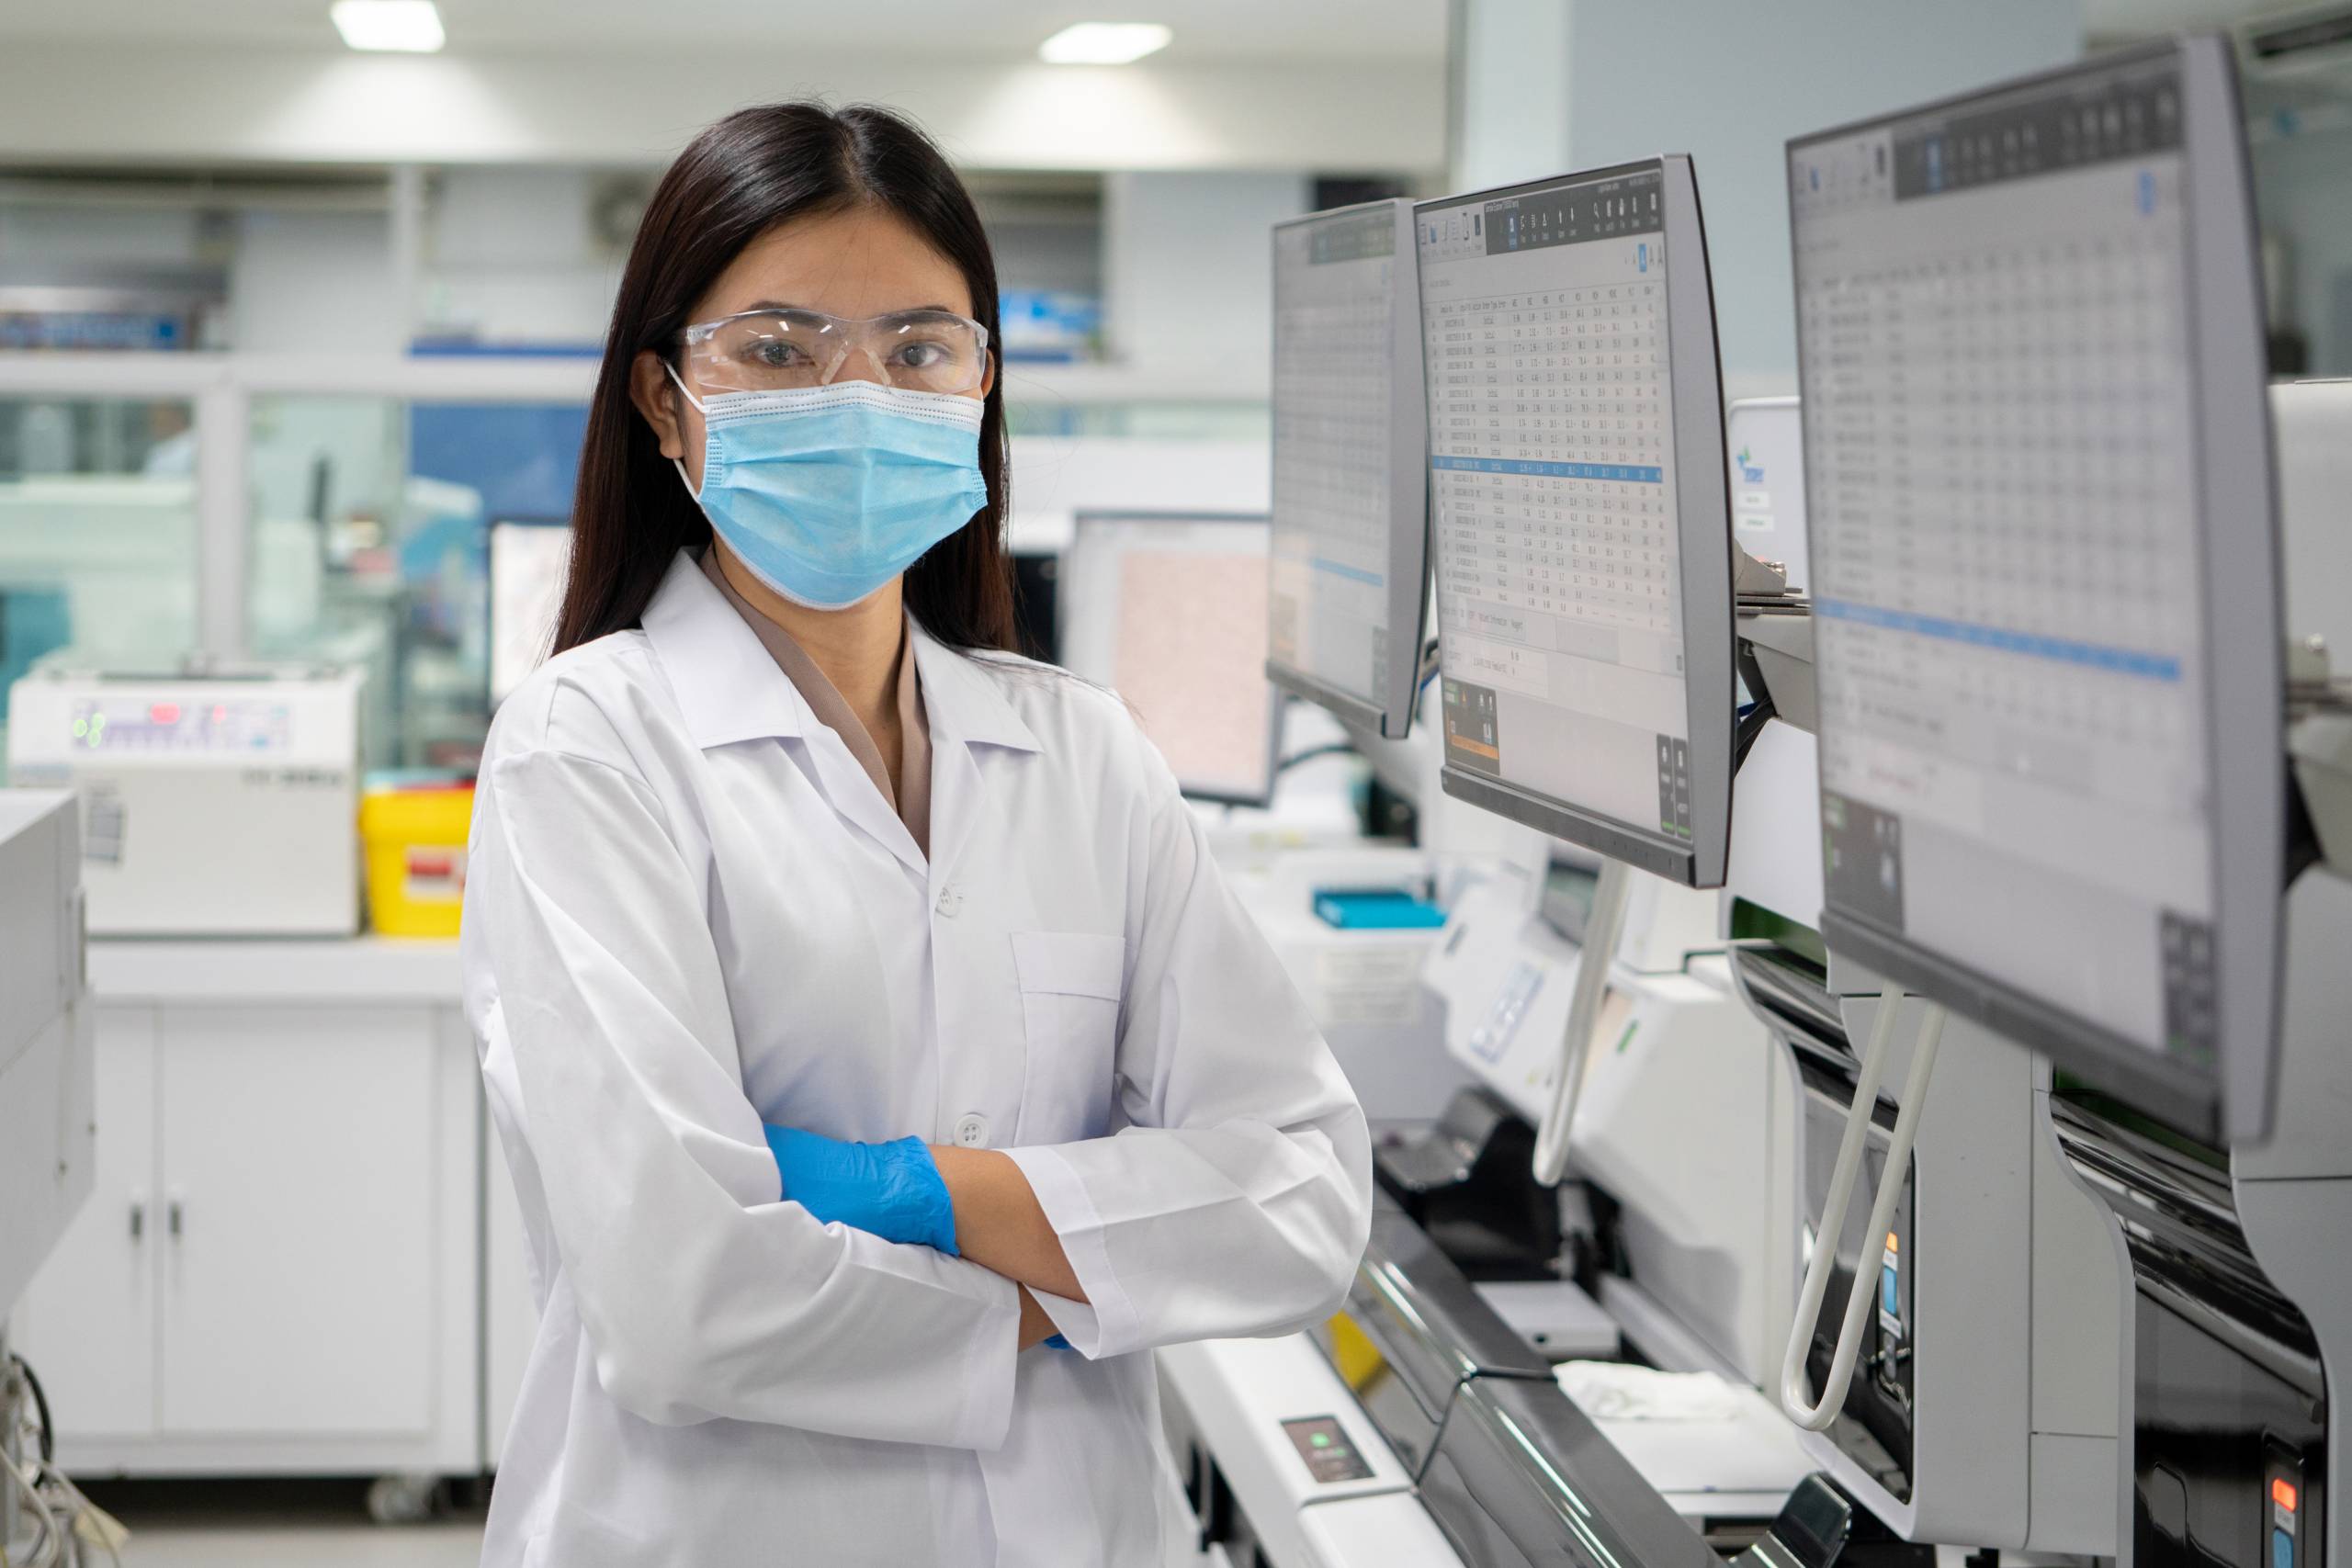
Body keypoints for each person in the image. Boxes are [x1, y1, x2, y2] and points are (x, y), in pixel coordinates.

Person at [459, 101, 1372, 1566]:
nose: (859, 397)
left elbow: (1306, 1196)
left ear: (980, 382)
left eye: (917, 349)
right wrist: (1089, 1280)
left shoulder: (1082, 751)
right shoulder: (590, 747)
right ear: (662, 398)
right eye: (776, 349)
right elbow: (683, 1306)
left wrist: (930, 1193)